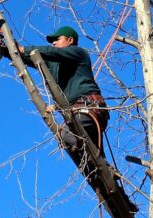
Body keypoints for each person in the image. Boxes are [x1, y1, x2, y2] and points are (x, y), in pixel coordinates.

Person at [17, 26, 109, 156]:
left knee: (67, 136)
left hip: (88, 107)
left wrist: (24, 49)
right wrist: (9, 50)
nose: (53, 43)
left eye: (57, 39)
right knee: (91, 161)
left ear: (70, 40)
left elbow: (50, 52)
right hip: (77, 113)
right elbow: (33, 59)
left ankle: (95, 163)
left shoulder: (78, 53)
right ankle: (100, 172)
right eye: (52, 41)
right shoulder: (55, 64)